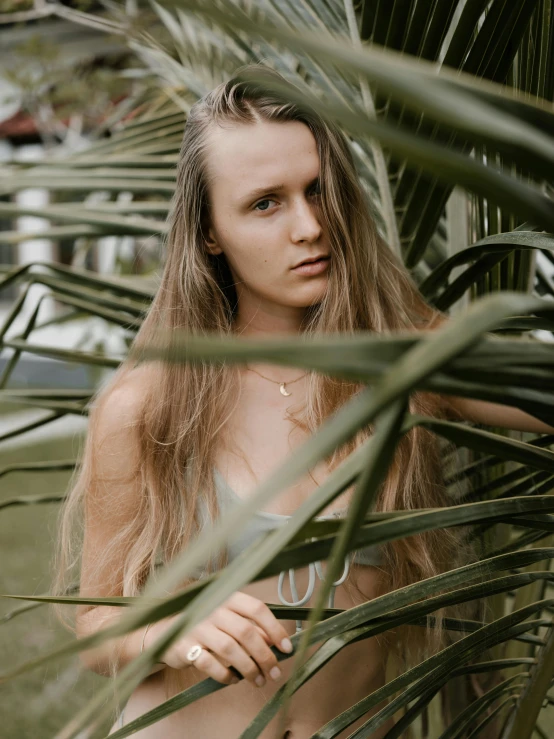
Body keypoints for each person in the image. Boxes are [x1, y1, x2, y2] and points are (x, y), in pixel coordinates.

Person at [52, 63, 554, 739]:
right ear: (208, 232)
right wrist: (175, 625)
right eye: (266, 203)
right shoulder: (147, 406)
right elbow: (96, 627)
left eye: (318, 191)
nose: (310, 225)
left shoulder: (407, 359)